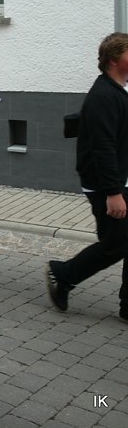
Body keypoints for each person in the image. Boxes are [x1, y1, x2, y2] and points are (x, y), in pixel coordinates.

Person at [47, 32, 128, 322]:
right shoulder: (104, 96)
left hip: (117, 181)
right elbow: (103, 147)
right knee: (116, 243)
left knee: (121, 241)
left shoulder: (116, 91)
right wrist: (113, 192)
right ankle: (63, 274)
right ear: (115, 59)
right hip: (106, 186)